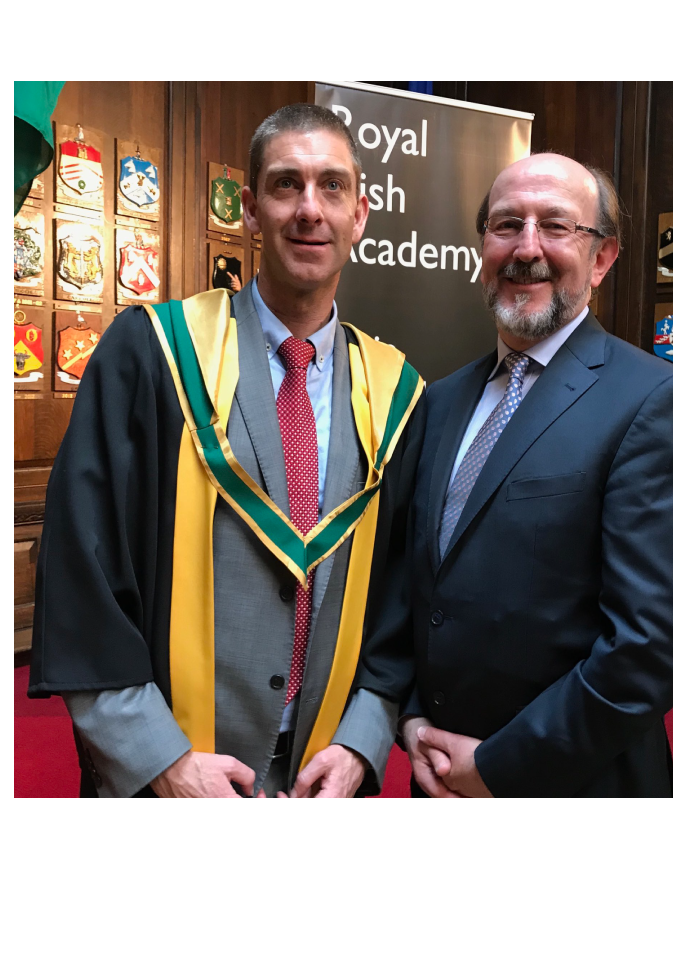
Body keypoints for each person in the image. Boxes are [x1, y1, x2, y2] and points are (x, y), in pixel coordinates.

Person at [29, 103, 425, 799]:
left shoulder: (395, 390)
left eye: (332, 186)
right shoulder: (152, 354)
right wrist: (162, 762)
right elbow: (81, 569)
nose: (310, 209)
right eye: (285, 184)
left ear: (361, 214)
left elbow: (404, 593)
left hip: (322, 778)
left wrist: (364, 739)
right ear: (248, 208)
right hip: (175, 779)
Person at [392, 153, 673, 797]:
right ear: (481, 248)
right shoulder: (439, 401)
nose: (527, 248)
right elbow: (414, 587)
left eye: (558, 226)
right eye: (506, 224)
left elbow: (648, 648)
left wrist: (497, 767)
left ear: (601, 258)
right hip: (435, 775)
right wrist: (409, 718)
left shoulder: (653, 401)